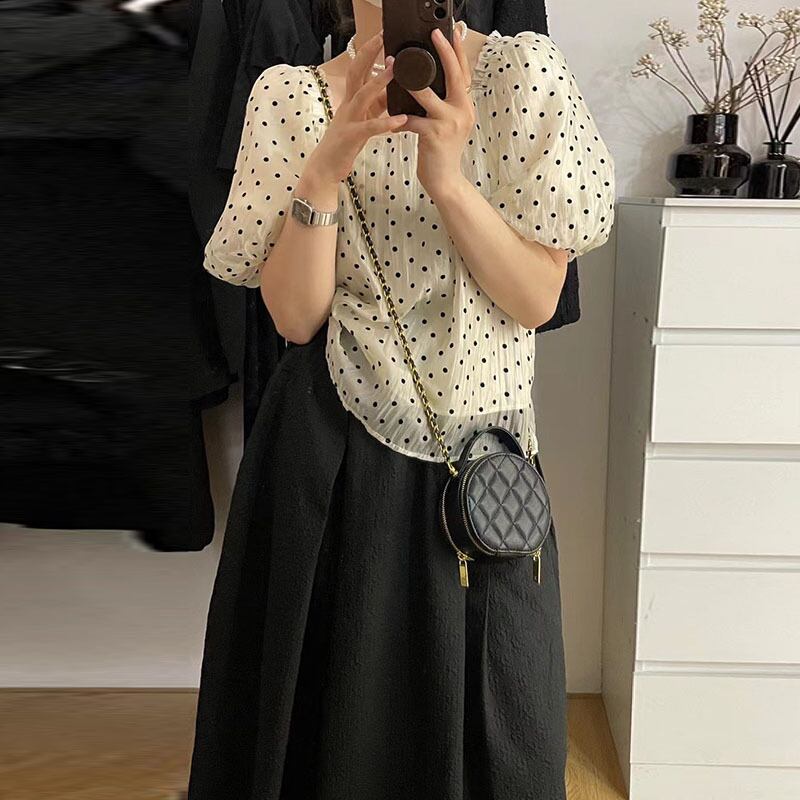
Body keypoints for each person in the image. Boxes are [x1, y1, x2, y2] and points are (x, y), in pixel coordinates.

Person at [187, 1, 615, 798]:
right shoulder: (291, 97)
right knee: (339, 729)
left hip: (482, 465)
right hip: (332, 454)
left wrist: (447, 180)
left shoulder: (521, 76)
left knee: (505, 717)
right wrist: (325, 169)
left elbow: (535, 299)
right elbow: (296, 317)